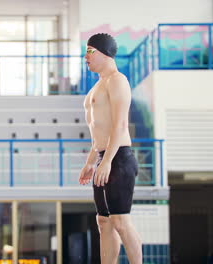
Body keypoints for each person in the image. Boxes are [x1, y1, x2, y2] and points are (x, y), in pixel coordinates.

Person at [78, 33, 142, 264]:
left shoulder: (117, 80)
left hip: (119, 158)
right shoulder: (98, 86)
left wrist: (107, 161)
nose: (86, 56)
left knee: (120, 221)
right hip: (104, 156)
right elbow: (99, 131)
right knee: (103, 221)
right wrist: (91, 161)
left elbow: (120, 124)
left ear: (105, 52)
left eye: (90, 51)